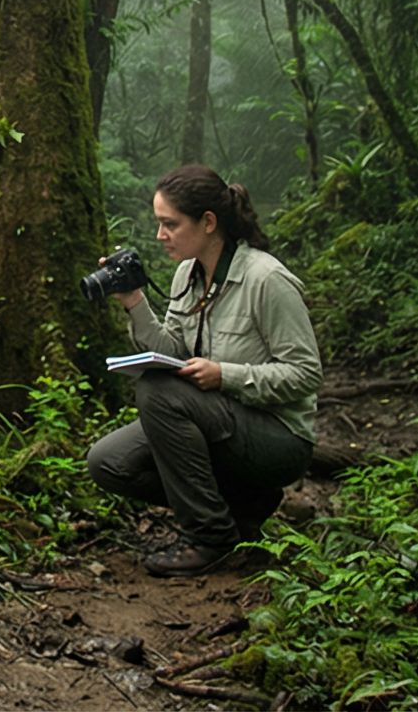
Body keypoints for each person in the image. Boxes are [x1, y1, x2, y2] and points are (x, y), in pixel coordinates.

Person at [86, 163, 323, 577]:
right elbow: (172, 350)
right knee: (109, 461)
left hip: (278, 438)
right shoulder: (188, 274)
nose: (160, 235)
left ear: (208, 222)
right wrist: (134, 300)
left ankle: (211, 537)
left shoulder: (266, 279)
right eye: (159, 224)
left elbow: (305, 373)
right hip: (217, 422)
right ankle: (242, 506)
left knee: (157, 393)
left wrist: (224, 374)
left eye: (170, 224)